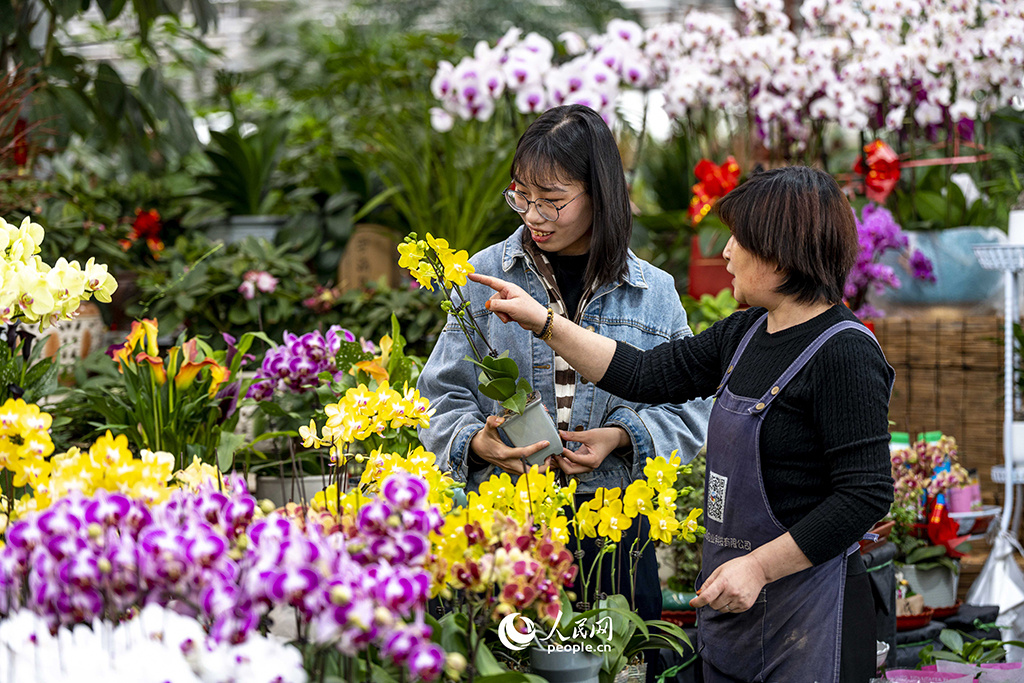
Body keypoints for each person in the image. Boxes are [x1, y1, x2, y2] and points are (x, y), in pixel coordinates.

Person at [469, 166, 895, 683]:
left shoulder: (845, 352)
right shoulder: (746, 332)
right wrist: (544, 322)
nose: (727, 253)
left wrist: (760, 567)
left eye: (739, 240)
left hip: (810, 615)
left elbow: (865, 495)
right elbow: (646, 373)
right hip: (735, 608)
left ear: (781, 254)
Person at [416, 104, 712, 623]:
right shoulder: (484, 273)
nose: (533, 216)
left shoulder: (653, 293)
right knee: (513, 658)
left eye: (551, 201)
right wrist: (476, 442)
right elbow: (439, 395)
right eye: (521, 197)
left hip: (616, 524)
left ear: (599, 195)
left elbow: (694, 403)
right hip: (510, 519)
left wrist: (623, 436)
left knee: (610, 658)